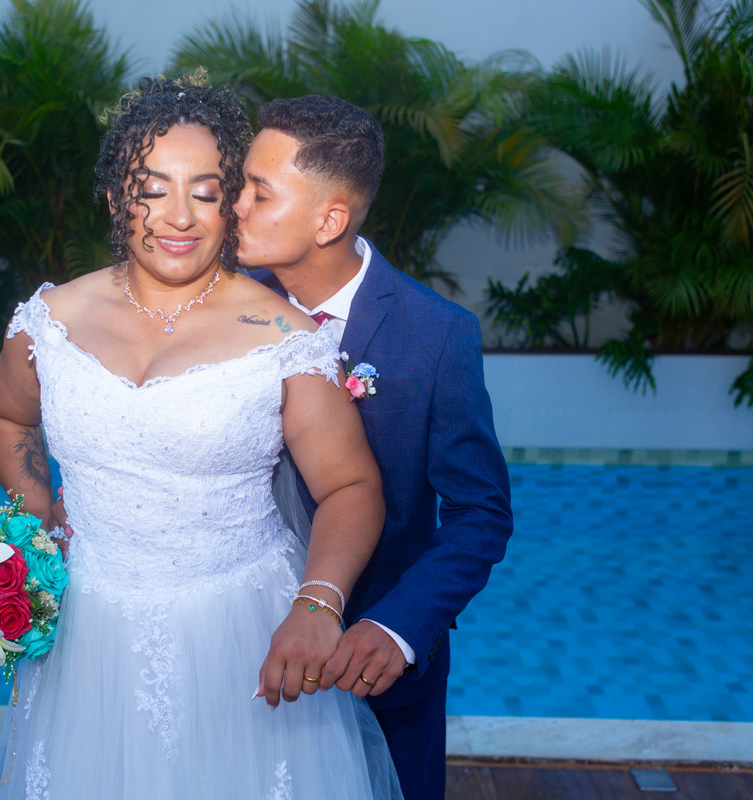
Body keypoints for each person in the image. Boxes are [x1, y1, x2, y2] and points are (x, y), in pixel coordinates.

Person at [0, 75, 402, 799]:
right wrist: (37, 515)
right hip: (87, 636)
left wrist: (317, 603)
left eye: (205, 193)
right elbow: (5, 416)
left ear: (231, 203)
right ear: (116, 197)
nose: (179, 216)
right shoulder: (51, 321)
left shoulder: (284, 336)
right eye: (152, 190)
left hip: (240, 631)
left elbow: (351, 485)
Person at [235, 95, 514, 800]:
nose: (234, 207)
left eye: (259, 193)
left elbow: (480, 514)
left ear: (330, 220)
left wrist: (398, 628)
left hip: (371, 665)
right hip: (235, 646)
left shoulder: (436, 334)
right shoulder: (222, 306)